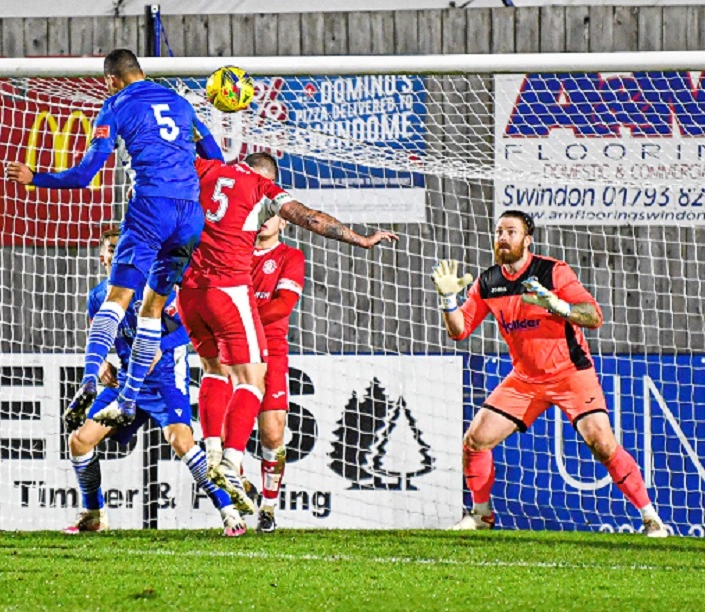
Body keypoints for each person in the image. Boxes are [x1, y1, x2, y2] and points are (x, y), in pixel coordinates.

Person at [7, 48, 224, 429]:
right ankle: (127, 399)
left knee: (117, 298)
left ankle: (90, 375)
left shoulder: (115, 105)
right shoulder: (180, 102)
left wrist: (35, 177)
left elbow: (83, 175)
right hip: (189, 214)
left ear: (111, 79)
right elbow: (216, 157)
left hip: (150, 207)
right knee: (152, 309)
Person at [179, 152, 397, 515]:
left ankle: (216, 453)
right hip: (226, 293)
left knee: (215, 373)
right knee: (252, 381)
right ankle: (230, 463)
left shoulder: (207, 170)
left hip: (189, 289)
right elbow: (311, 218)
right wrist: (360, 239)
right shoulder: (261, 188)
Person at [431, 210, 668, 537]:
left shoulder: (553, 271)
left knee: (601, 443)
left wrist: (557, 305)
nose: (502, 237)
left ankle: (650, 517)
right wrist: (447, 300)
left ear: (527, 239)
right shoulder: (488, 282)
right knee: (475, 441)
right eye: (499, 231)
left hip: (571, 374)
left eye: (511, 232)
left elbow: (594, 316)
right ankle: (481, 515)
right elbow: (458, 332)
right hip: (525, 379)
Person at [63, 228, 246, 537]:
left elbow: (189, 329)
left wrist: (159, 346)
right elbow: (98, 334)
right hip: (125, 386)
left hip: (165, 384)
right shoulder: (97, 297)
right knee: (79, 441)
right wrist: (104, 360)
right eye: (112, 248)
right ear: (104, 256)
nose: (120, 253)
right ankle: (93, 515)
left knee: (181, 442)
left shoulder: (158, 289)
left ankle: (229, 512)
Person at [249, 214, 305, 533]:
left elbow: (283, 306)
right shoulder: (234, 252)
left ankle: (268, 507)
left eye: (271, 214)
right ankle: (237, 497)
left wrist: (241, 316)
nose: (263, 220)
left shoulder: (290, 257)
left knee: (272, 433)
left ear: (283, 222)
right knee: (228, 435)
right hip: (233, 349)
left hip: (271, 350)